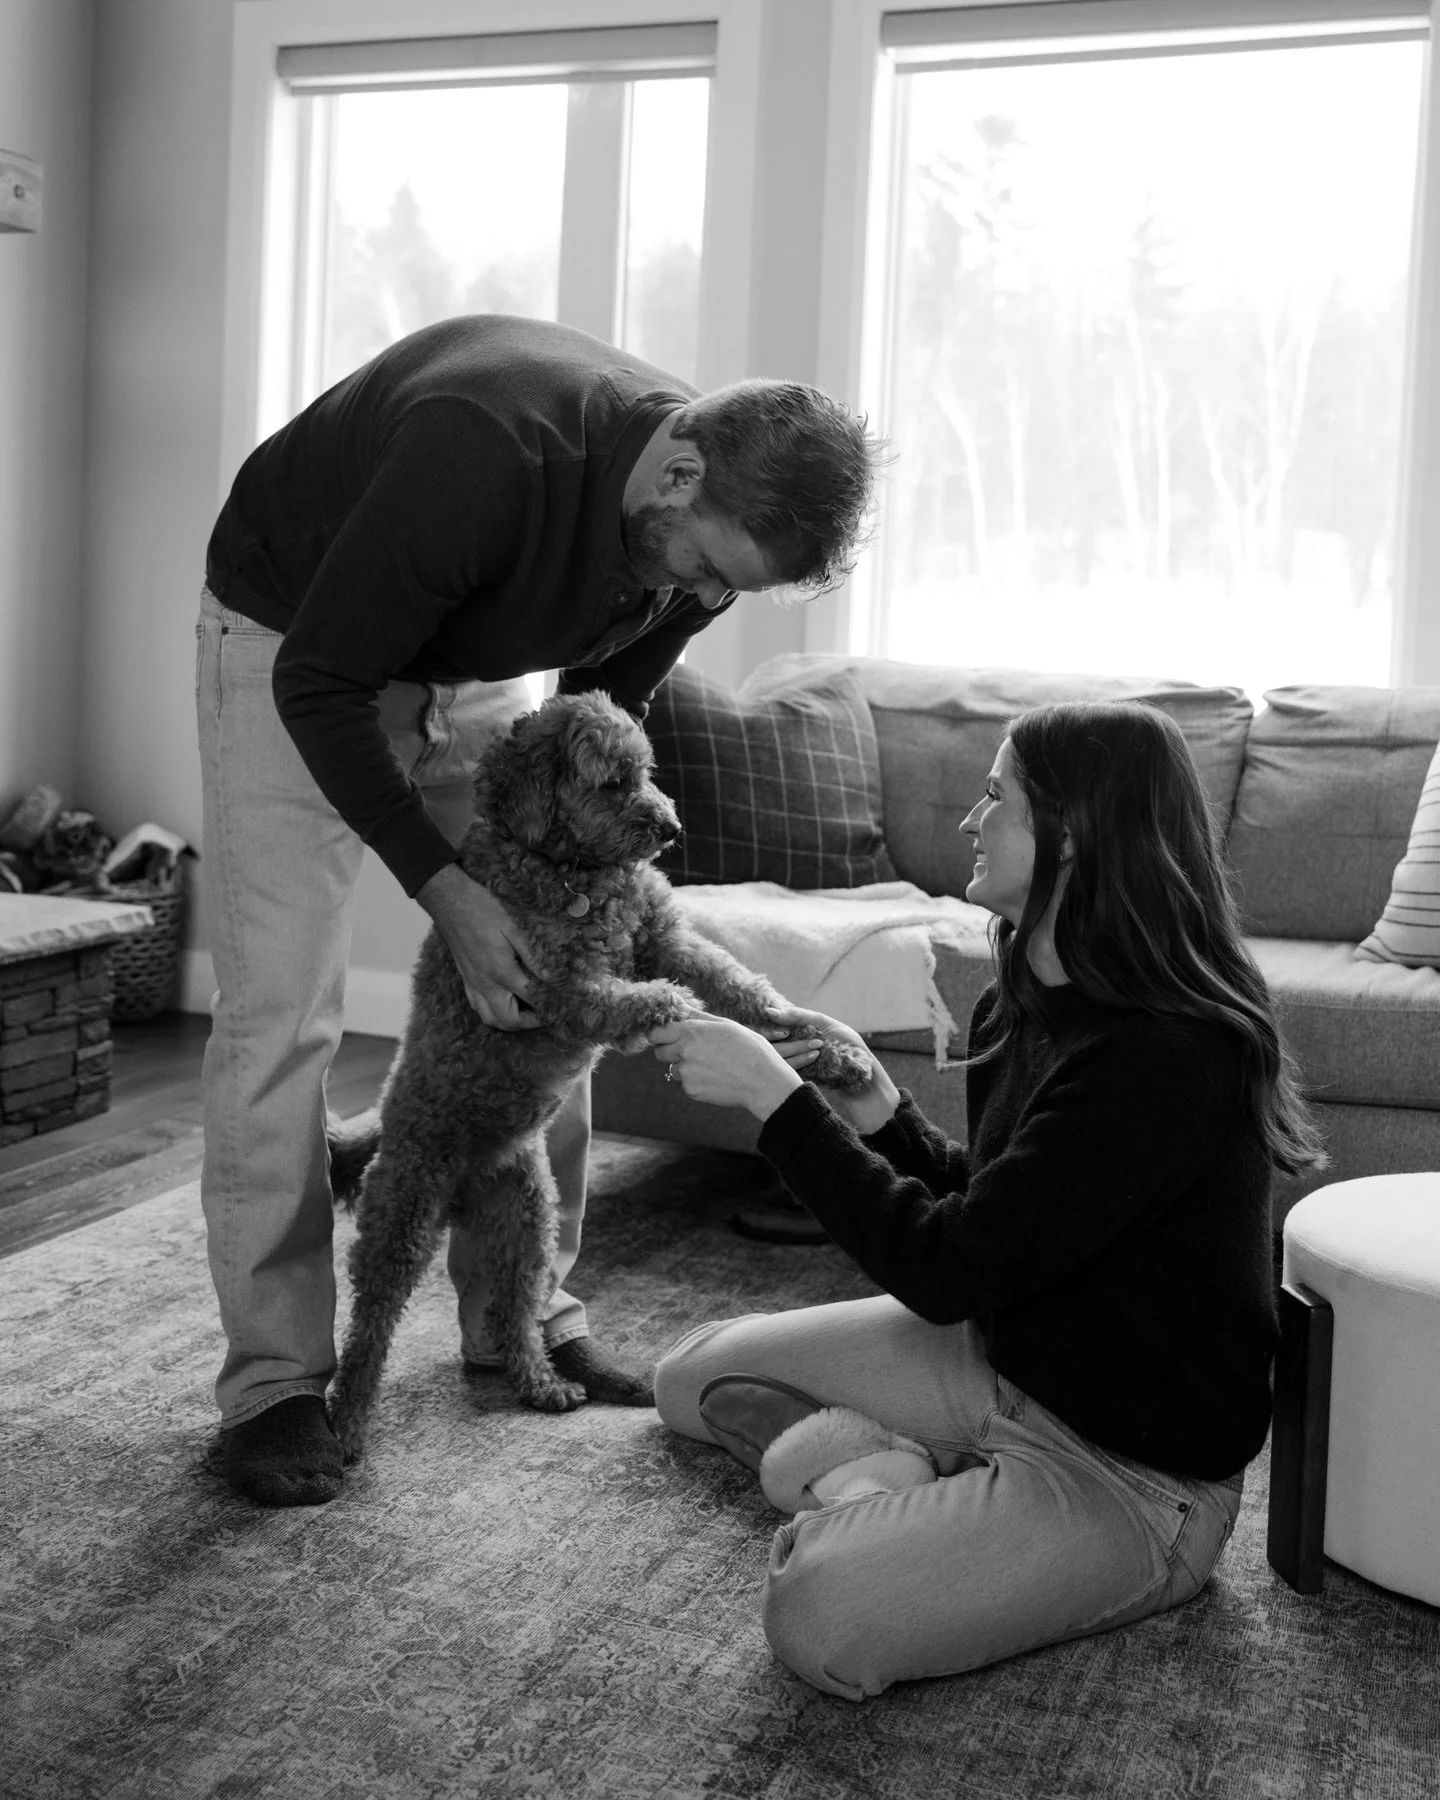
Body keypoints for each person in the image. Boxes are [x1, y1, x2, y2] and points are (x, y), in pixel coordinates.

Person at [197, 312, 880, 1508]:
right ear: (675, 472)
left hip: (472, 647)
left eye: (733, 588)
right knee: (279, 1015)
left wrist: (589, 888)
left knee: (557, 967)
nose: (708, 598)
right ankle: (277, 1387)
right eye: (710, 569)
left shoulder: (698, 526)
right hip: (291, 635)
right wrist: (448, 887)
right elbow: (324, 678)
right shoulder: (484, 452)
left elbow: (600, 706)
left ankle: (520, 1311)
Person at [646, 700, 1326, 1701]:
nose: (970, 818)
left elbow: (942, 1265)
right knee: (686, 1378)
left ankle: (917, 1486)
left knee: (818, 1612)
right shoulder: (1025, 987)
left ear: (1072, 836)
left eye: (995, 796)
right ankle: (911, 1473)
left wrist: (775, 1102)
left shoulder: (1169, 1056)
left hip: (1132, 1475)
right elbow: (999, 1215)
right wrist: (872, 1101)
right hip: (1006, 1360)